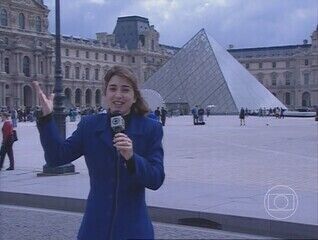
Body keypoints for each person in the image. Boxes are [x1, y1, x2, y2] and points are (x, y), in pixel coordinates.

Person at [32, 66, 164, 240]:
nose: (118, 95)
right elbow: (56, 157)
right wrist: (47, 118)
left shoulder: (150, 128)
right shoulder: (89, 125)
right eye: (113, 88)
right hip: (94, 228)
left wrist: (132, 158)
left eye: (125, 90)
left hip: (133, 229)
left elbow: (156, 179)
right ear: (105, 94)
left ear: (134, 97)